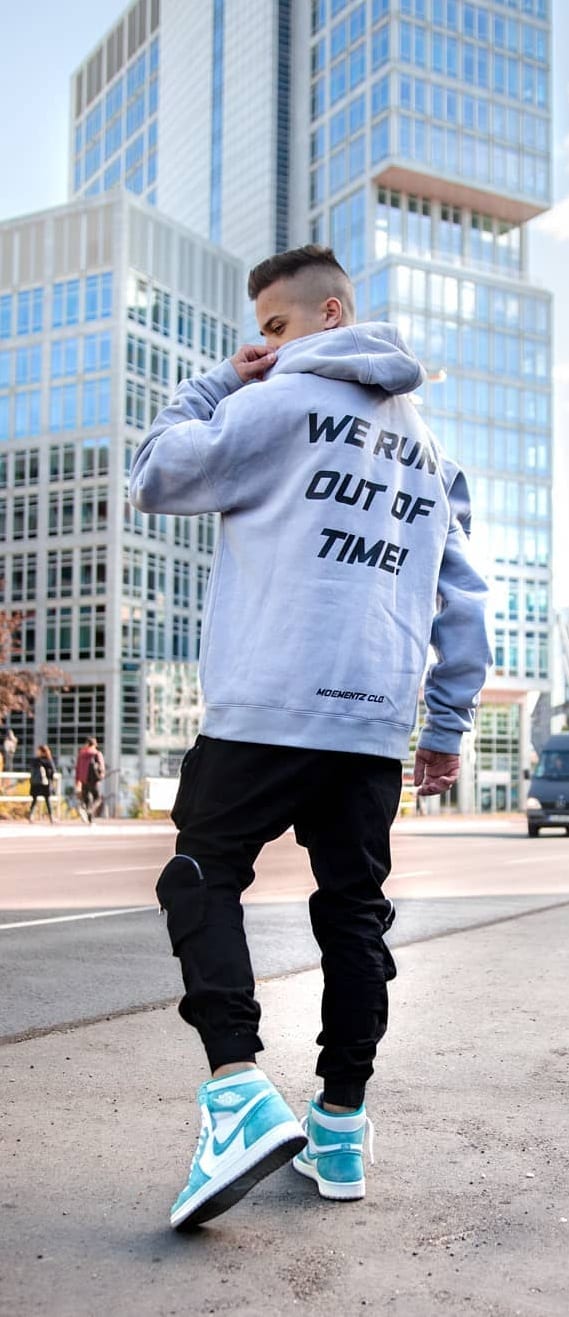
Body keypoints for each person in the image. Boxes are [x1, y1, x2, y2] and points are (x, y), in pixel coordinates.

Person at [130, 244, 491, 1232]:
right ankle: (338, 1126)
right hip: (370, 723)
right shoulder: (431, 453)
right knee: (353, 918)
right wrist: (446, 724)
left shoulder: (271, 404)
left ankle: (237, 1090)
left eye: (275, 329)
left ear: (328, 314)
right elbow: (461, 600)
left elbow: (156, 473)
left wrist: (217, 381)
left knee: (198, 877)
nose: (262, 349)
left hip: (265, 704)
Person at [74, 736, 105, 824]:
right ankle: (90, 811)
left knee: (86, 799)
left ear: (87, 744)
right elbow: (101, 766)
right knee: (97, 797)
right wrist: (101, 775)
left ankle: (89, 817)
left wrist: (77, 781)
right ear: (94, 745)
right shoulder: (96, 753)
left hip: (83, 780)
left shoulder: (81, 754)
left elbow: (77, 769)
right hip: (93, 779)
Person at [28, 744, 55, 823]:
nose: (37, 752)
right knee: (47, 800)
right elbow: (52, 771)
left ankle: (31, 816)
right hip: (45, 783)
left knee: (35, 800)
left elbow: (31, 768)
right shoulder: (48, 760)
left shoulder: (36, 760)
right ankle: (51, 817)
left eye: (38, 750)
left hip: (36, 783)